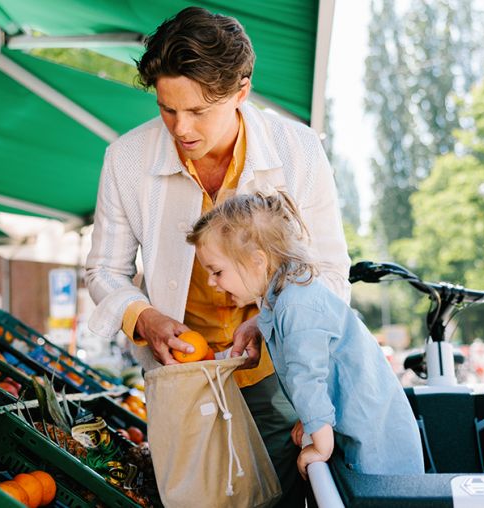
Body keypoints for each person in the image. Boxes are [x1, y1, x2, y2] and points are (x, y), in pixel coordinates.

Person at [84, 6, 351, 504]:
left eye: (199, 111)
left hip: (279, 379)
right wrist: (144, 319)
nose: (181, 128)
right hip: (182, 379)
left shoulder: (299, 151)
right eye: (168, 108)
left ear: (241, 91)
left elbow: (332, 272)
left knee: (283, 498)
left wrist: (271, 323)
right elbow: (104, 269)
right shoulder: (126, 158)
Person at [185, 192, 425, 476]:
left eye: (217, 271)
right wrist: (312, 421)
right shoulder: (282, 296)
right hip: (355, 425)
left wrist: (320, 443)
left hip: (374, 438)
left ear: (257, 260)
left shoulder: (296, 305)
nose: (212, 283)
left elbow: (306, 377)